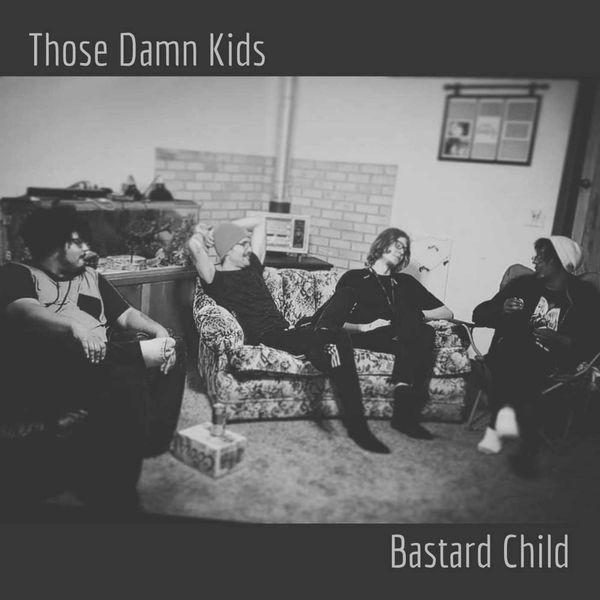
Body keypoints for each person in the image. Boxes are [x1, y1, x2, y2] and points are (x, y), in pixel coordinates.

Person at [0, 207, 186, 516]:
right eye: (77, 242)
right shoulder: (16, 273)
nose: (86, 248)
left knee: (172, 347)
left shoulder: (91, 277)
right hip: (57, 363)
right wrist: (74, 327)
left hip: (104, 356)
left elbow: (126, 314)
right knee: (122, 367)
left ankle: (152, 439)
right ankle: (114, 496)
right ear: (54, 245)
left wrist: (157, 329)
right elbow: (24, 309)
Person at [187, 216, 391, 454]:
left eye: (247, 243)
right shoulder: (216, 279)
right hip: (270, 336)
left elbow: (260, 223)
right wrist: (203, 232)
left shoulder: (252, 266)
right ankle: (358, 427)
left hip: (292, 328)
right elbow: (193, 246)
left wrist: (221, 227)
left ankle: (321, 337)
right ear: (227, 250)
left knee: (347, 292)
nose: (249, 248)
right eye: (242, 244)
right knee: (341, 339)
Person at [472, 236, 600, 477]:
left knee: (519, 359)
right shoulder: (522, 285)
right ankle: (524, 438)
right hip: (511, 354)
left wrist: (563, 341)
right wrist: (502, 309)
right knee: (516, 350)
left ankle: (501, 419)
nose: (535, 261)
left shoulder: (584, 295)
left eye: (542, 257)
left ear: (562, 262)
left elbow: (593, 341)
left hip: (554, 362)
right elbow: (479, 314)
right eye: (536, 255)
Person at [334, 228, 453, 440]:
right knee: (419, 329)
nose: (401, 251)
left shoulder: (406, 282)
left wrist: (417, 315)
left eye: (404, 248)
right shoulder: (354, 278)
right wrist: (366, 326)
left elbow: (447, 313)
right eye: (397, 245)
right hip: (364, 336)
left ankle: (402, 403)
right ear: (382, 245)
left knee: (421, 328)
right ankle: (405, 412)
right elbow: (333, 319)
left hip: (397, 337)